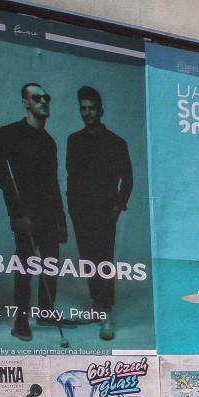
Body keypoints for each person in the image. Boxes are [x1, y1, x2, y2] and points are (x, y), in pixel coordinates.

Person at [0, 82, 67, 342]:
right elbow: (2, 175)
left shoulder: (49, 142)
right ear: (25, 103)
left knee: (51, 263)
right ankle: (20, 320)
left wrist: (61, 220)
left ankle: (46, 312)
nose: (43, 101)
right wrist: (16, 214)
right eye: (36, 98)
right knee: (25, 265)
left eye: (46, 97)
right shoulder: (10, 133)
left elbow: (53, 182)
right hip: (24, 211)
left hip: (48, 212)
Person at [66, 85, 132, 341]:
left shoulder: (116, 143)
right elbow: (72, 176)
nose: (87, 113)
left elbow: (127, 179)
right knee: (87, 259)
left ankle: (106, 315)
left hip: (105, 211)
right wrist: (71, 206)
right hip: (80, 210)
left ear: (100, 110)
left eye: (92, 108)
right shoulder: (74, 140)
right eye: (83, 108)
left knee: (103, 261)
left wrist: (117, 207)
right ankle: (96, 304)